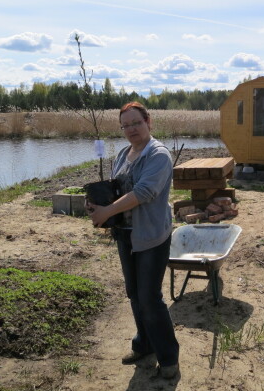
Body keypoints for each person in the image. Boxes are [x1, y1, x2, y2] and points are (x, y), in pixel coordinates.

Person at [87, 101, 180, 379]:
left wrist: (108, 211)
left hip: (151, 236)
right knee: (134, 294)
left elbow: (143, 193)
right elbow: (117, 191)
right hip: (125, 236)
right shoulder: (124, 154)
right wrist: (95, 205)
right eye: (125, 125)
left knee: (150, 298)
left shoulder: (158, 155)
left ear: (148, 122)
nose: (131, 129)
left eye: (136, 123)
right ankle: (144, 345)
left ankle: (169, 360)